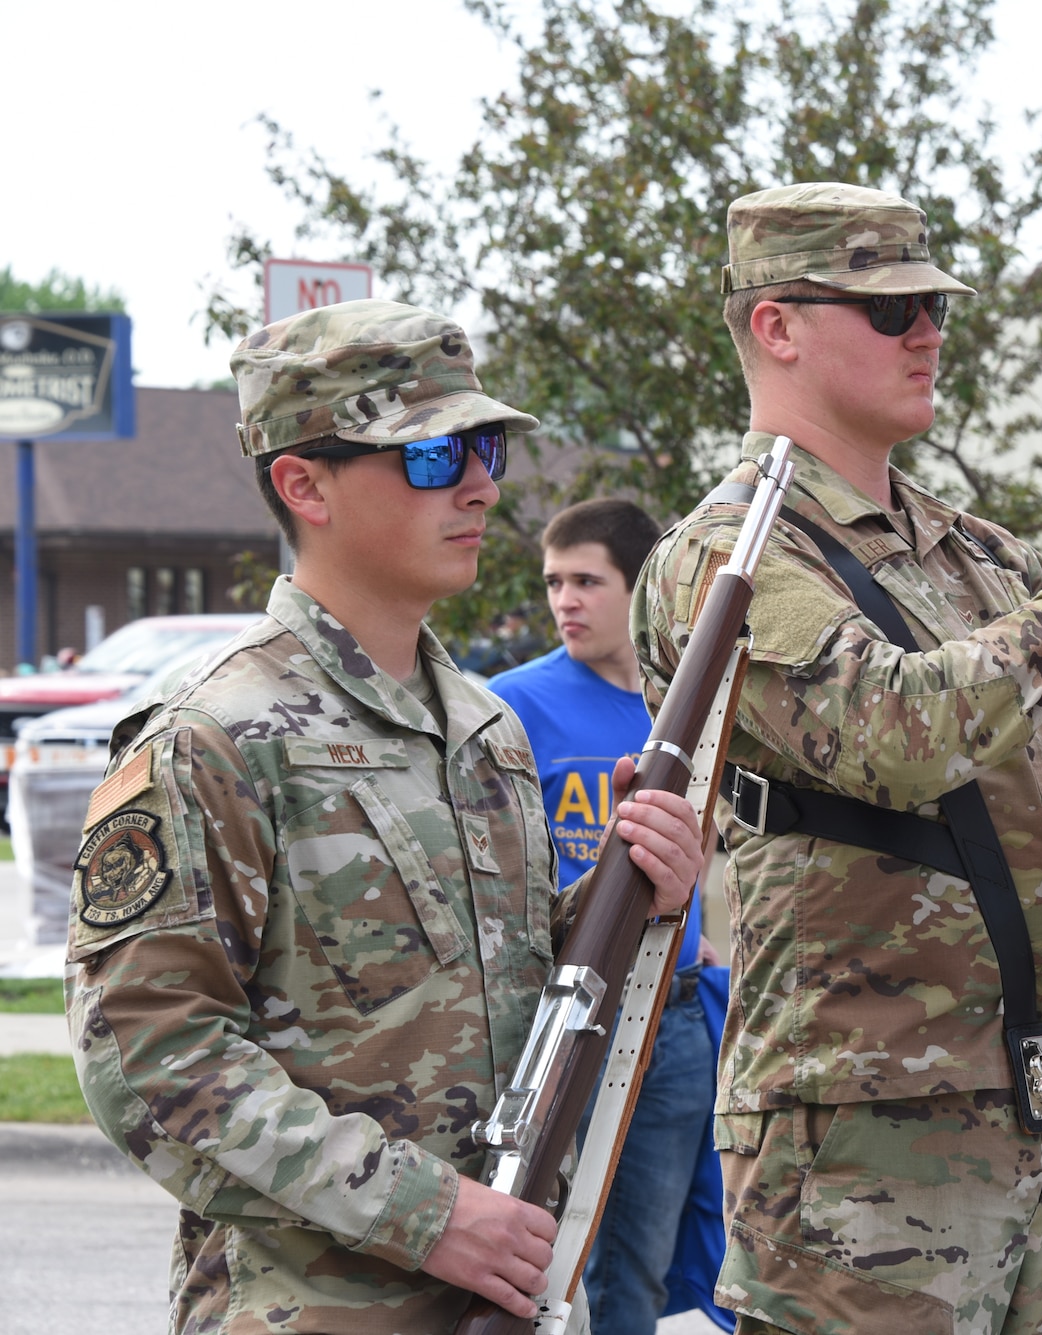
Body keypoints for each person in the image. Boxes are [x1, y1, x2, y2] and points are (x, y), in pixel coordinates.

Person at [631, 181, 1042, 1335]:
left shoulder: (978, 557)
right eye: (890, 307)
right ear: (777, 326)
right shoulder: (725, 559)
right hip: (862, 1128)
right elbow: (891, 736)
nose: (926, 333)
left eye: (934, 306)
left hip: (1033, 1099)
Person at [63, 299, 706, 1333]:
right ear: (302, 483)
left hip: (508, 1296)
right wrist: (426, 1212)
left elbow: (514, 986)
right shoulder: (212, 734)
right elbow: (146, 1057)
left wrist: (635, 896)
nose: (480, 483)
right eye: (429, 455)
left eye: (482, 445)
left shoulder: (486, 727)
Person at [488, 499, 729, 1334]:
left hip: (676, 1013)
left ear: (642, 588)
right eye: (554, 581)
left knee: (646, 1269)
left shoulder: (690, 707)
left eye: (587, 580)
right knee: (555, 1257)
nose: (565, 599)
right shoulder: (510, 704)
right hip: (578, 1006)